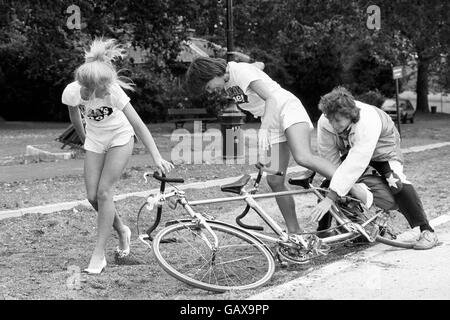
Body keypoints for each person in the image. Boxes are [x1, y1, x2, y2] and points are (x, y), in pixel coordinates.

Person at [184, 57, 370, 241]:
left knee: (303, 157)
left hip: (286, 109)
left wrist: (263, 129)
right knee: (274, 179)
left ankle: (352, 185)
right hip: (273, 122)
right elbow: (259, 66)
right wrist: (255, 65)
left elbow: (271, 98)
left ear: (210, 74)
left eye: (208, 86)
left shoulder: (239, 71)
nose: (210, 91)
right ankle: (295, 232)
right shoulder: (231, 76)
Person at [62, 38, 173, 274]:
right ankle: (122, 230)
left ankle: (98, 254)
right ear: (91, 87)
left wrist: (156, 157)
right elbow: (75, 117)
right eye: (103, 86)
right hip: (95, 140)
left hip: (120, 138)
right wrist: (85, 141)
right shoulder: (73, 92)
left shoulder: (113, 92)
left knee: (104, 192)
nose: (108, 88)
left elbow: (139, 125)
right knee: (92, 196)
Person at [311, 86, 438, 250]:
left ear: (350, 115)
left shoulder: (367, 121)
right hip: (351, 146)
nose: (333, 125)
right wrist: (334, 188)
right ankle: (327, 231)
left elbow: (357, 162)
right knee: (328, 182)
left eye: (338, 121)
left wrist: (331, 198)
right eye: (331, 120)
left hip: (381, 145)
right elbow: (329, 159)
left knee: (395, 180)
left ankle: (426, 230)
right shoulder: (325, 121)